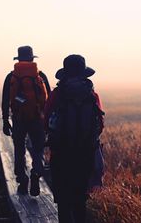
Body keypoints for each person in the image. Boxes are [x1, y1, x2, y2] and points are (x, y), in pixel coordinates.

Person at [44, 55, 105, 223]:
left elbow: (46, 121)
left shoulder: (57, 95)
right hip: (85, 154)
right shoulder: (92, 95)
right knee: (80, 199)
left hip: (60, 154)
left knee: (63, 200)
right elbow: (100, 126)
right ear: (84, 73)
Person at [2, 46, 51, 196]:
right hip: (37, 119)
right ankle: (36, 172)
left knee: (19, 149)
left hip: (18, 119)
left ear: (18, 59)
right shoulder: (40, 76)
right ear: (32, 59)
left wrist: (5, 120)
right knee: (38, 149)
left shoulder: (11, 77)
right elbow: (49, 100)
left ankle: (22, 180)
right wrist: (48, 121)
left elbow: (5, 100)